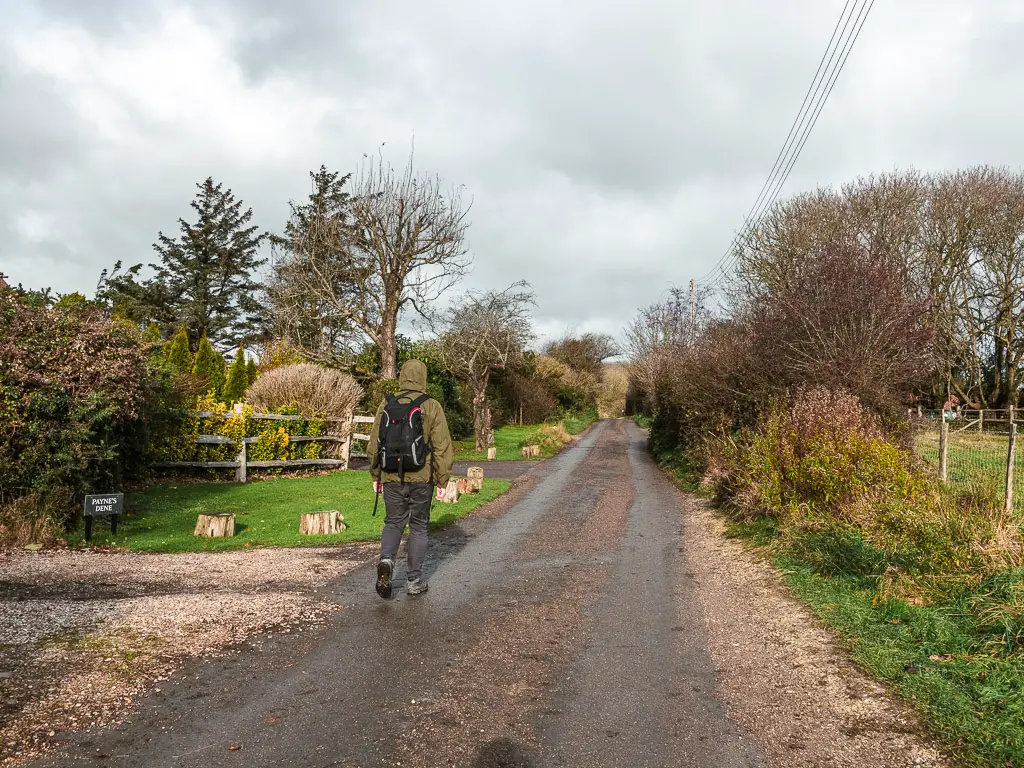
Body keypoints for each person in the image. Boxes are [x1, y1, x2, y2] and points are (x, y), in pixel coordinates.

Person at [367, 359, 454, 599]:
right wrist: (442, 481)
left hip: (392, 476)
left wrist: (376, 474)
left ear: (402, 376)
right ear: (423, 377)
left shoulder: (386, 404)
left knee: (394, 522)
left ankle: (386, 560)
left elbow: (374, 444)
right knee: (418, 526)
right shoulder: (432, 406)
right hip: (422, 477)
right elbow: (443, 446)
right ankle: (414, 581)